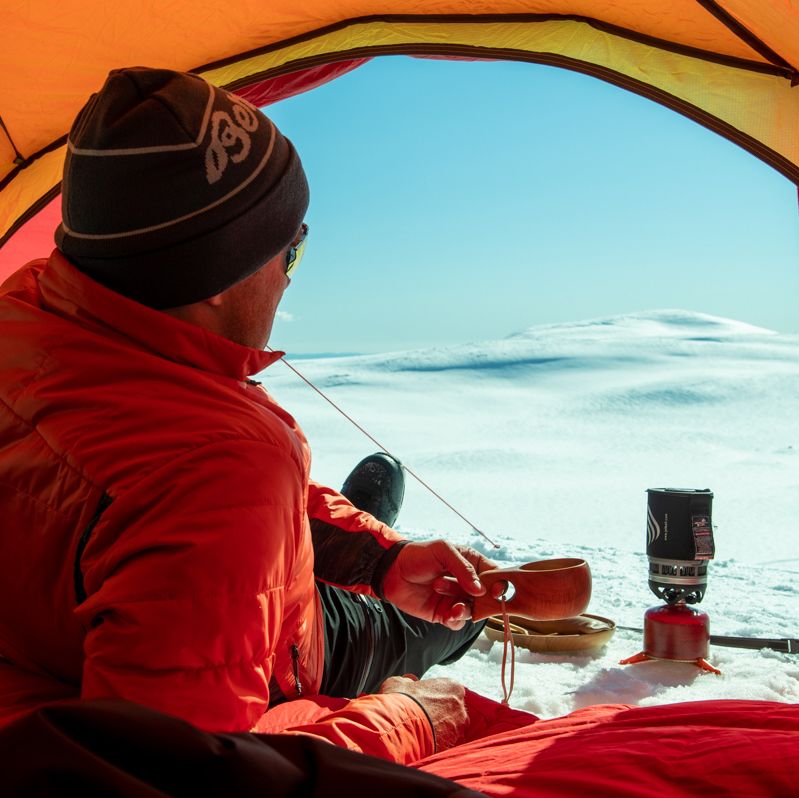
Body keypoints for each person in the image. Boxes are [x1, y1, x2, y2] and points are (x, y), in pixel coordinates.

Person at [0, 66, 499, 765]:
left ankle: (369, 532)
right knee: (439, 626)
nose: (290, 276)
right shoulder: (217, 469)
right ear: (218, 274)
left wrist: (380, 558)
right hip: (289, 656)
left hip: (200, 605)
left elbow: (172, 507)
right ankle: (449, 618)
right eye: (292, 249)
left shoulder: (25, 311)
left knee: (371, 566)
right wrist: (414, 719)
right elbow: (183, 773)